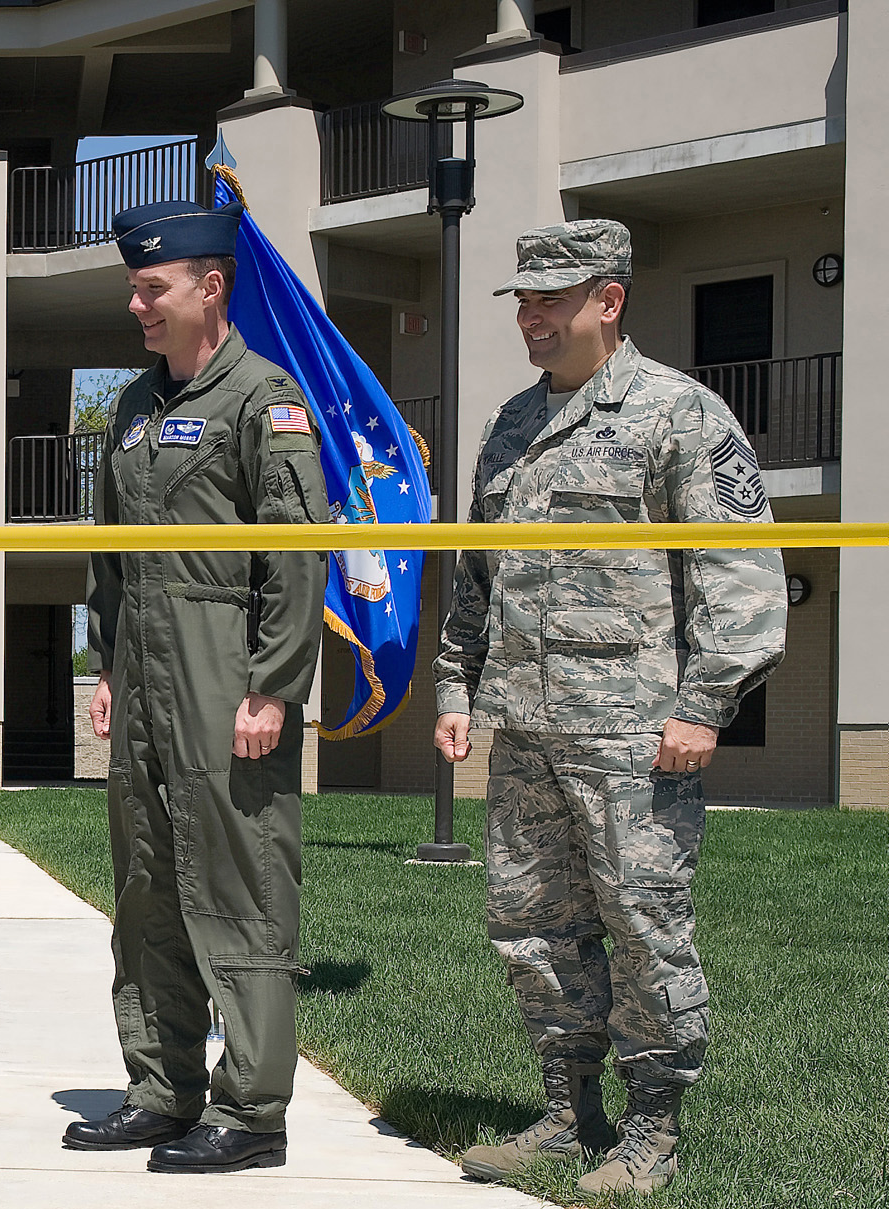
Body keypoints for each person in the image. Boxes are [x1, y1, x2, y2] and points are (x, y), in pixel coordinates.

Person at [438, 220, 786, 1197]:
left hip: (636, 734)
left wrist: (705, 702)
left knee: (642, 925)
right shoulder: (509, 426)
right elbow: (480, 575)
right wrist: (457, 684)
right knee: (532, 925)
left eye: (553, 298)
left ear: (610, 300)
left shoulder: (678, 414)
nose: (533, 317)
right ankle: (566, 1111)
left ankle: (653, 1132)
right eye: (524, 301)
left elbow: (743, 574)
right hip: (530, 728)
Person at [75, 200, 328, 1175]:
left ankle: (252, 1109)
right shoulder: (134, 410)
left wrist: (273, 686)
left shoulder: (265, 400)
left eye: (153, 288)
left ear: (209, 286)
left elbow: (296, 557)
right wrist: (106, 667)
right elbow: (113, 554)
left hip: (227, 670)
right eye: (133, 289)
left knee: (240, 877)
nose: (137, 305)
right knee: (147, 883)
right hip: (143, 673)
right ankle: (160, 1088)